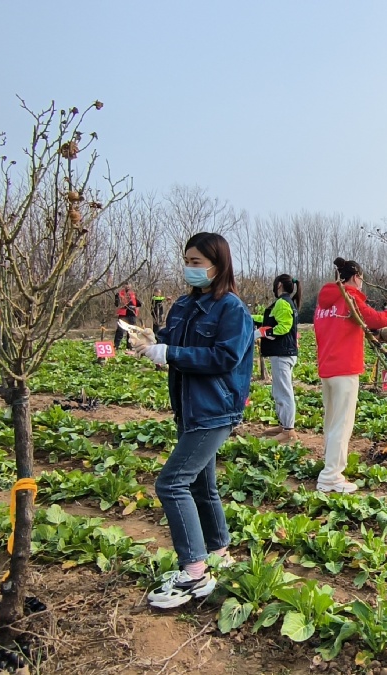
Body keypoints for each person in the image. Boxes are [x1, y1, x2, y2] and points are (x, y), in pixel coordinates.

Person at [134, 232, 254, 609]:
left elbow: (224, 358)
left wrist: (169, 352)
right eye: (187, 261)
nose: (190, 268)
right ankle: (218, 552)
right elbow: (173, 340)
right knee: (203, 486)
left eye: (197, 262)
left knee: (171, 484)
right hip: (187, 408)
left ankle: (194, 573)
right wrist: (151, 341)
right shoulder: (184, 305)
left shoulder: (232, 309)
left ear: (218, 265)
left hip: (214, 410)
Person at [313, 257, 387, 493]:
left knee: (332, 421)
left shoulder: (323, 303)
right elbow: (375, 318)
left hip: (327, 368)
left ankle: (330, 467)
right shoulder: (350, 297)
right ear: (356, 277)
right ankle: (331, 476)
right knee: (342, 424)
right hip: (345, 369)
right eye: (362, 278)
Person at [254, 274, 302, 443]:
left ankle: (288, 431)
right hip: (282, 353)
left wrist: (263, 333)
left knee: (284, 391)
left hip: (283, 354)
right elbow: (270, 320)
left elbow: (283, 327)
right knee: (279, 390)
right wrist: (253, 319)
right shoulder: (286, 303)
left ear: (279, 285)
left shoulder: (283, 302)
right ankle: (284, 425)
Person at [114, 282, 142, 350]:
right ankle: (116, 346)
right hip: (123, 314)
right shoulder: (119, 293)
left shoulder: (133, 293)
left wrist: (136, 310)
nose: (127, 286)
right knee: (120, 331)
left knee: (131, 331)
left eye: (129, 284)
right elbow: (117, 304)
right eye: (126, 285)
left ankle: (130, 346)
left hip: (132, 314)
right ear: (123, 286)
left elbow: (138, 304)